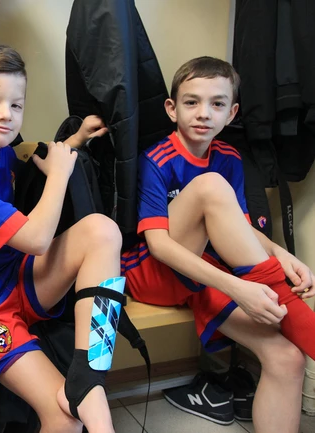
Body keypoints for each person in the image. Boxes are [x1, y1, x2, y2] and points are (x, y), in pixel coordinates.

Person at [0, 44, 122, 433]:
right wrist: (60, 175)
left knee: (102, 230)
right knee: (65, 419)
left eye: (15, 105)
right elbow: (36, 239)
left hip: (15, 276)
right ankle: (83, 399)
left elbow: (30, 156)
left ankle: (89, 374)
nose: (5, 114)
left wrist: (77, 139)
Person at [122, 56, 315, 433]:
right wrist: (237, 288)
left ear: (232, 113)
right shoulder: (157, 158)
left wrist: (282, 254)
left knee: (287, 358)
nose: (203, 113)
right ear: (172, 109)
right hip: (152, 272)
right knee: (209, 186)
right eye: (192, 102)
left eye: (217, 103)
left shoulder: (228, 157)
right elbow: (158, 246)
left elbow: (242, 230)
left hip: (205, 275)